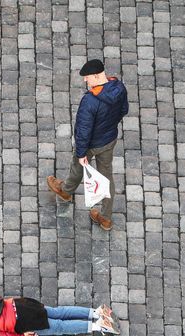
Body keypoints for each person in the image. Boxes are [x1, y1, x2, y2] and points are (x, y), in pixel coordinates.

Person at [47, 58, 129, 231]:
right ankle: (105, 218)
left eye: (88, 77)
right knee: (106, 178)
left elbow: (83, 131)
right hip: (109, 140)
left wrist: (82, 154)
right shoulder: (119, 88)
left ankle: (66, 191)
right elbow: (124, 110)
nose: (85, 80)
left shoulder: (90, 101)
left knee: (78, 166)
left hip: (91, 143)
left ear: (98, 76)